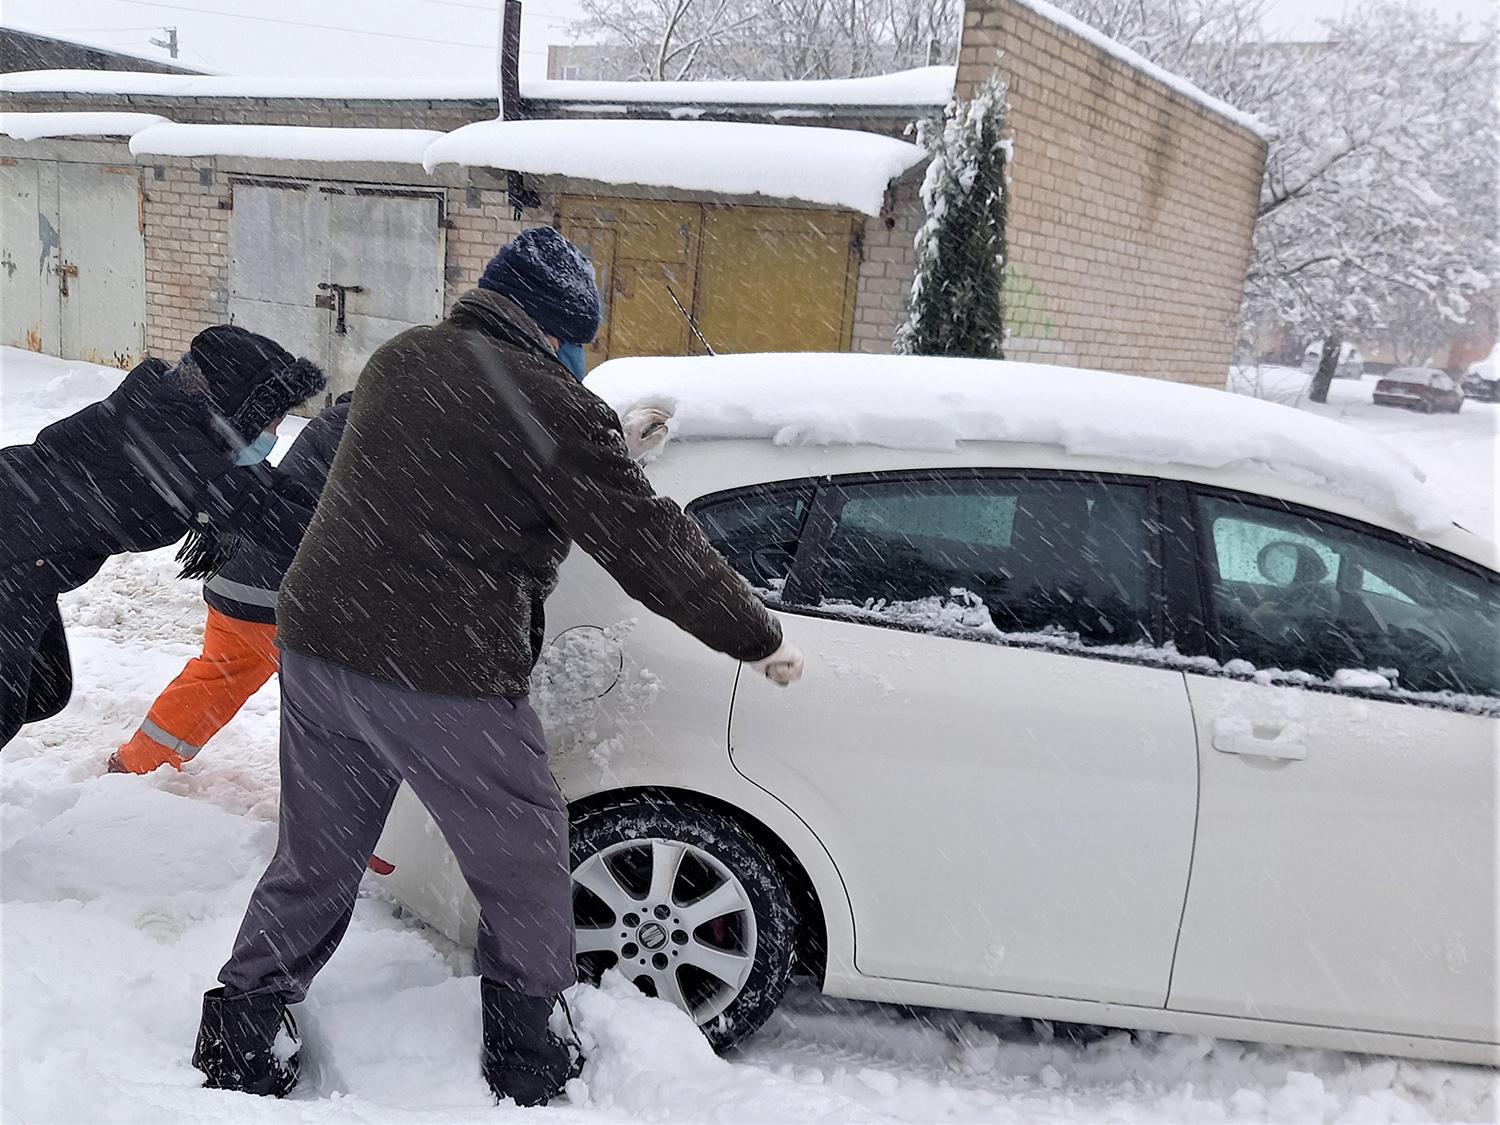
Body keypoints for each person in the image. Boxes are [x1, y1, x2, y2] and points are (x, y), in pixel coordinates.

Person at [192, 228, 804, 1106]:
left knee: (317, 852)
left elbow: (461, 462)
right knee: (523, 855)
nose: (579, 359)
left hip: (323, 644)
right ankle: (528, 1050)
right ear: (558, 331)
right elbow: (648, 542)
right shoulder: (555, 406)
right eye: (577, 343)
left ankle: (241, 1029)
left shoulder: (406, 358)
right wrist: (757, 636)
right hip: (443, 669)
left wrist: (595, 444)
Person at [0, 327, 326, 750]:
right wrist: (370, 549)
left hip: (30, 562)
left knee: (43, 691)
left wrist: (349, 517)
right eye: (271, 421)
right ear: (238, 408)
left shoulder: (179, 422)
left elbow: (270, 489)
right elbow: (260, 513)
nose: (274, 435)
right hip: (15, 555)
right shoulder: (165, 438)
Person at [108, 394, 354, 775]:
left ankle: (139, 761)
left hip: (235, 578)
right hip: (291, 595)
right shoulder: (389, 434)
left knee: (218, 676)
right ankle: (344, 802)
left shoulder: (338, 420)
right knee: (345, 707)